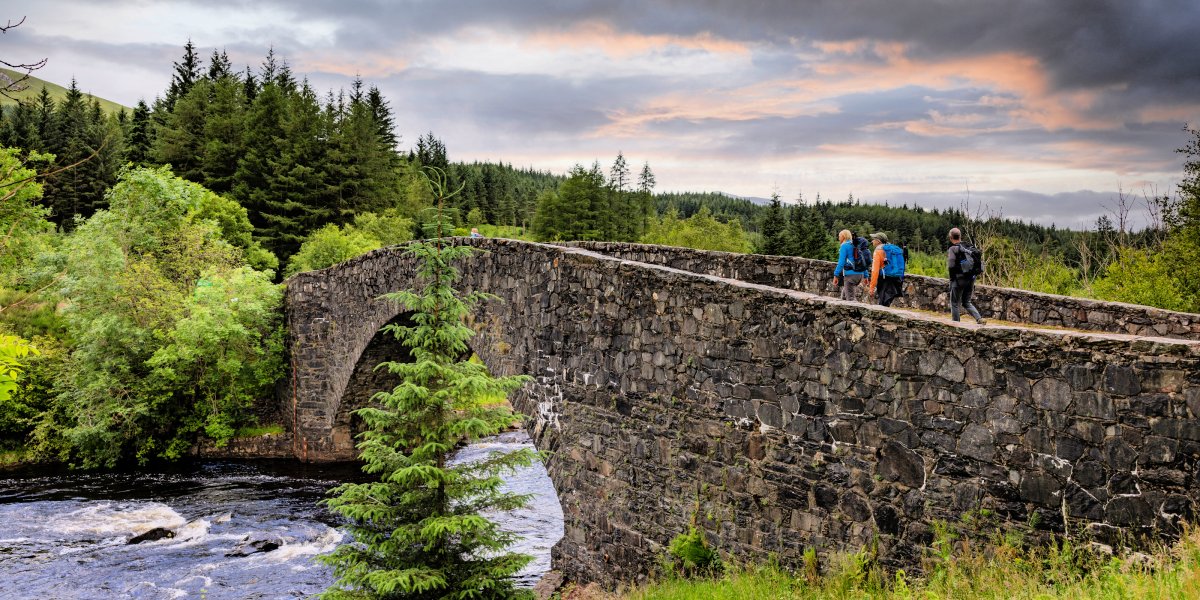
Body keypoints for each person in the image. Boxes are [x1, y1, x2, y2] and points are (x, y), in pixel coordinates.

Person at [947, 227, 985, 324]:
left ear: (951, 237)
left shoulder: (953, 249)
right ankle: (979, 319)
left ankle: (956, 325)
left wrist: (952, 279)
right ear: (960, 236)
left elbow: (951, 265)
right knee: (966, 302)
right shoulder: (969, 246)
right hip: (971, 278)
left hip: (959, 279)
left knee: (955, 303)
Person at [866, 232, 904, 307]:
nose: (872, 241)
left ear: (878, 241)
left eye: (874, 239)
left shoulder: (878, 251)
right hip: (895, 279)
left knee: (883, 306)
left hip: (884, 280)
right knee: (886, 304)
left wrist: (872, 287)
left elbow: (875, 271)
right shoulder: (890, 249)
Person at [832, 229, 865, 301]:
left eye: (839, 236)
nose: (838, 238)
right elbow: (863, 260)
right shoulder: (855, 245)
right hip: (859, 275)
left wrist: (836, 275)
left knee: (850, 300)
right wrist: (865, 275)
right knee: (844, 297)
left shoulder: (844, 246)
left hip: (851, 275)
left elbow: (841, 262)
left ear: (843, 237)